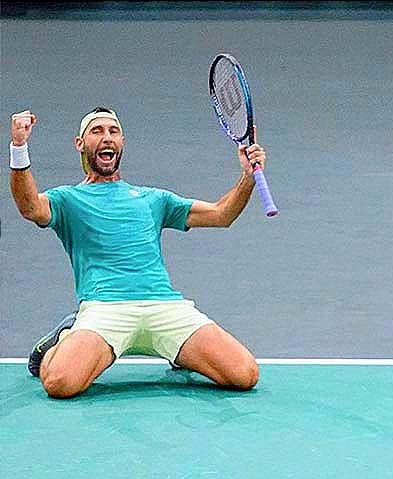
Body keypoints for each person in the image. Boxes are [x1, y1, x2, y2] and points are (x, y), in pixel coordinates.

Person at [10, 106, 262, 398]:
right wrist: (19, 147)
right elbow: (30, 207)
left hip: (164, 307)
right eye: (97, 131)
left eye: (113, 132)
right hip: (106, 309)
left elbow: (221, 214)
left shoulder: (152, 198)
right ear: (80, 144)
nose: (107, 138)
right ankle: (66, 336)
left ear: (122, 143)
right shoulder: (67, 199)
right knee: (60, 384)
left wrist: (247, 178)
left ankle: (179, 351)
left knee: (245, 374)